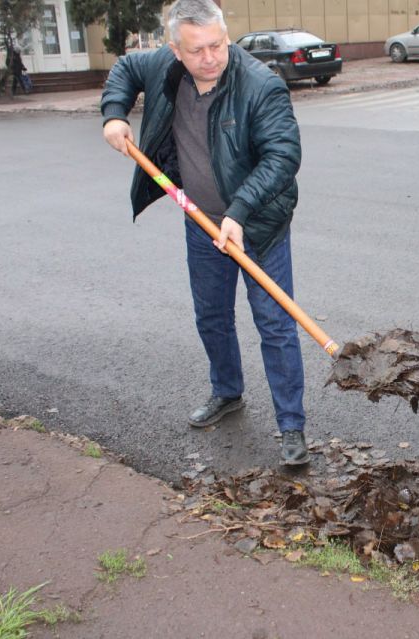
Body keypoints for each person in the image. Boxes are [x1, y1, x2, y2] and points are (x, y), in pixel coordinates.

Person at [100, 0, 309, 465]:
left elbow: (283, 156)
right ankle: (227, 391)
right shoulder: (164, 66)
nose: (210, 57)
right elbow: (125, 69)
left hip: (258, 223)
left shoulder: (260, 85)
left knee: (275, 325)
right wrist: (114, 113)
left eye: (217, 45)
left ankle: (291, 425)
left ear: (226, 36)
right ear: (175, 49)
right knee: (211, 315)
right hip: (200, 219)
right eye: (197, 50)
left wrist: (239, 212)